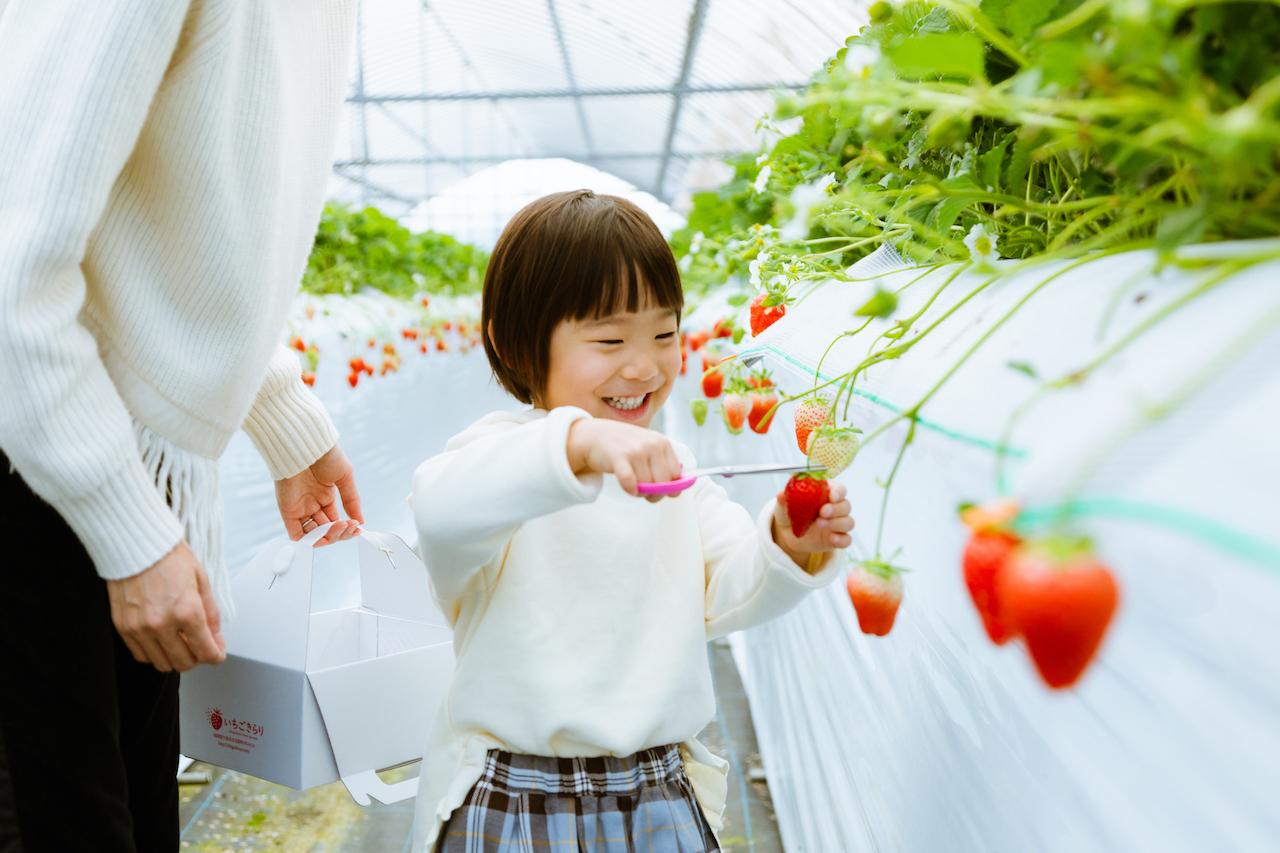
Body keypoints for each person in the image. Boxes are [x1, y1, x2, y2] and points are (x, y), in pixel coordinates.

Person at [0, 3, 362, 850]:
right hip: (34, 459)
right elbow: (12, 271)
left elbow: (157, 216)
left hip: (121, 455)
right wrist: (125, 529)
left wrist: (278, 411)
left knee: (129, 814)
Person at [407, 190, 855, 851]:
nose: (644, 365)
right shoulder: (499, 459)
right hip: (512, 793)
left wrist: (788, 544)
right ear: (516, 342)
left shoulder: (674, 473)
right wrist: (582, 444)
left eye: (665, 334)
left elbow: (731, 584)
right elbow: (443, 511)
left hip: (658, 793)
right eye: (610, 338)